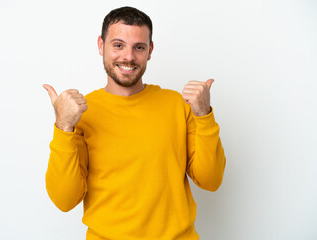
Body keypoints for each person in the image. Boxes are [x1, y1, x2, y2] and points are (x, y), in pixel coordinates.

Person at [43, 6, 226, 240]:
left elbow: (210, 181)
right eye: (118, 45)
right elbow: (64, 200)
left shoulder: (179, 105)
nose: (128, 56)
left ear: (149, 50)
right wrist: (63, 126)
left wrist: (203, 114)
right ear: (101, 45)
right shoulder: (80, 112)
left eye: (138, 47)